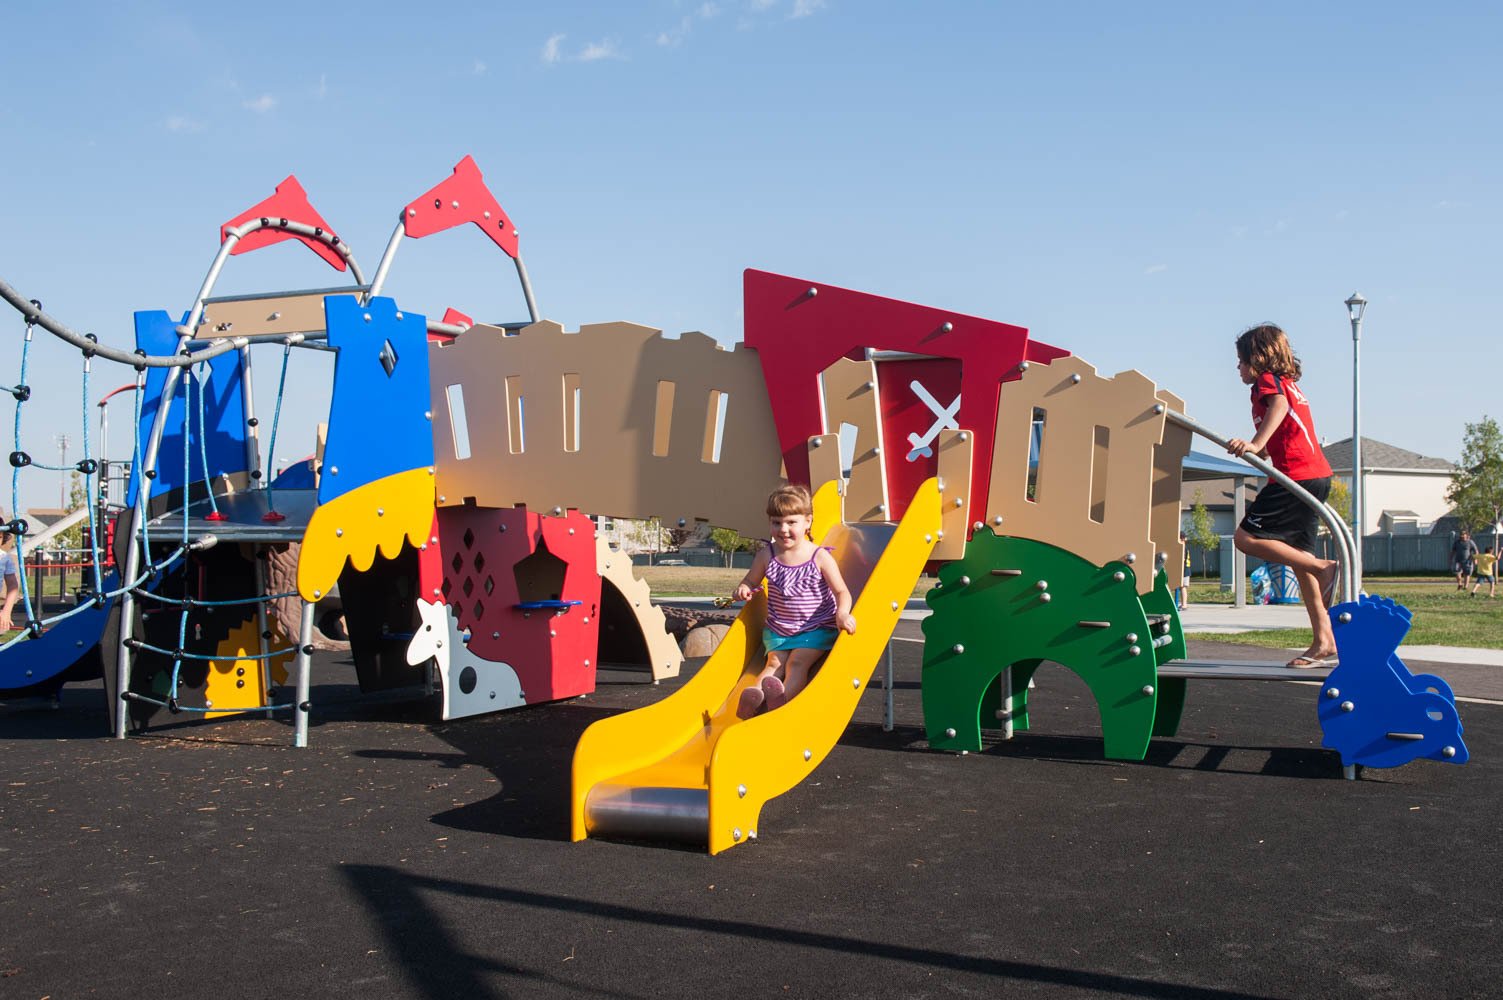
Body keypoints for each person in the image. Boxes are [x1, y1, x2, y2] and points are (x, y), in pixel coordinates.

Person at [1225, 324, 1341, 668]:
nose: (1238, 368)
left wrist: (1256, 443)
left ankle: (1325, 568)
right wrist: (1256, 451)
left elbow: (1277, 407)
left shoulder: (1270, 383)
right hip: (1314, 474)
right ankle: (1324, 641)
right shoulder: (1289, 383)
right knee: (1296, 557)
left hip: (1296, 476)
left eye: (1241, 361)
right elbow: (1285, 426)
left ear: (1258, 358)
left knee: (1244, 538)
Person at [732, 484, 857, 718]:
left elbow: (842, 591)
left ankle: (782, 701)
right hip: (780, 629)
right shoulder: (766, 555)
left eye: (791, 522)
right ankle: (753, 699)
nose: (783, 529)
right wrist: (743, 588)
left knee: (796, 663)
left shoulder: (819, 557)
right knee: (773, 664)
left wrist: (842, 613)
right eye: (777, 523)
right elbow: (750, 580)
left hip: (816, 628)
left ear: (807, 522)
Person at [1177, 530, 1191, 611]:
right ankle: (1183, 604)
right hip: (1186, 569)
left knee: (1183, 587)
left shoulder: (1183, 548)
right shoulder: (1185, 547)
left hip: (1184, 570)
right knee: (1182, 587)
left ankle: (1184, 604)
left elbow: (1182, 559)